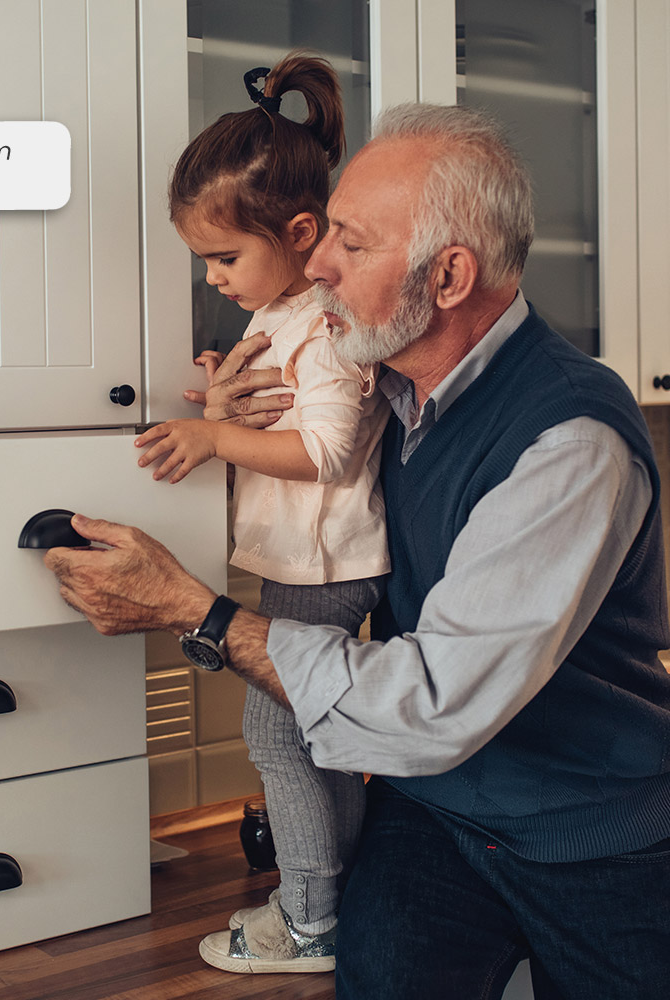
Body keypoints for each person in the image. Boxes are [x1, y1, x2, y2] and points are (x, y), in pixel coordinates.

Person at [45, 102, 670, 999]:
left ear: (448, 277)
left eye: (351, 243)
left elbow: (432, 704)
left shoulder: (567, 442)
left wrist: (199, 612)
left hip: (588, 827)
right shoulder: (394, 386)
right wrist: (225, 421)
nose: (317, 264)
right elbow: (307, 475)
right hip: (435, 809)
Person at [134, 52, 389, 974]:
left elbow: (321, 451)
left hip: (322, 565)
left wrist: (211, 440)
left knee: (280, 733)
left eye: (224, 257)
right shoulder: (280, 317)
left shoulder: (321, 326)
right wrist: (222, 397)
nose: (213, 279)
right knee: (318, 732)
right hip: (307, 563)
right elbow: (277, 414)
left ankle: (312, 918)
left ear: (301, 230)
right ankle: (344, 897)